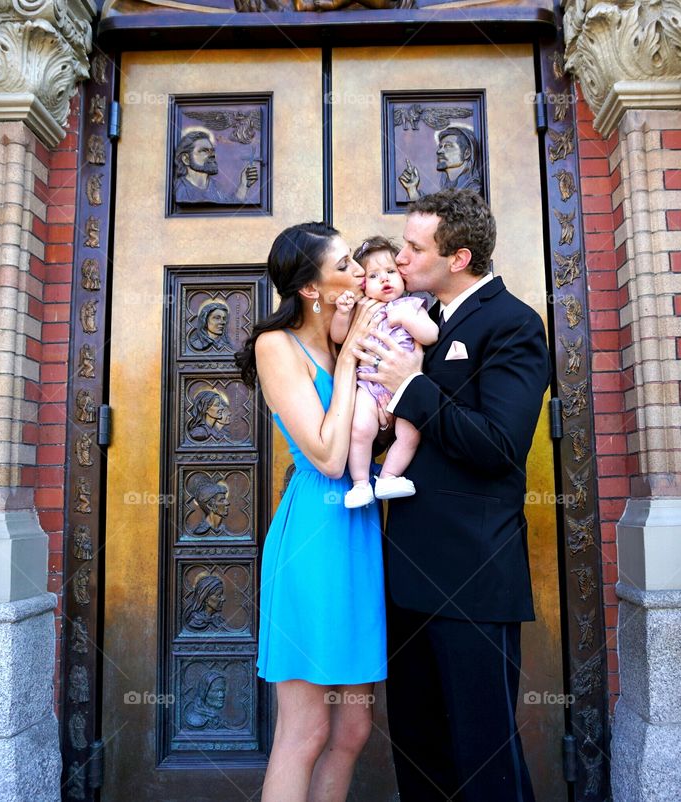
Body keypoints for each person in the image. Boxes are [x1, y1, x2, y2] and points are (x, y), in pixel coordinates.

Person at [355, 189, 549, 802]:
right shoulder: (416, 315)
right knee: (418, 749)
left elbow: (497, 447)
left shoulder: (512, 323)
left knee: (482, 755)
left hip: (472, 577)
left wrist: (410, 389)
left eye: (414, 248)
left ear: (459, 256)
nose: (401, 257)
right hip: (405, 572)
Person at [235, 222, 386, 802]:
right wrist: (347, 360)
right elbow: (324, 454)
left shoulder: (351, 329)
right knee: (307, 729)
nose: (359, 273)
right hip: (313, 536)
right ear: (311, 288)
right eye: (346, 265)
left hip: (360, 529)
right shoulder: (277, 347)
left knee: (353, 728)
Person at [330, 236, 439, 508]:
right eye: (374, 275)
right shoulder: (361, 309)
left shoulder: (411, 306)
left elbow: (431, 334)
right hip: (368, 387)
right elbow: (339, 336)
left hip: (403, 390)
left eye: (391, 272)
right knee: (360, 429)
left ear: (401, 276)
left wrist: (406, 320)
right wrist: (343, 313)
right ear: (364, 284)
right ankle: (360, 484)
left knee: (410, 433)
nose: (385, 279)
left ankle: (389, 476)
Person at [399, 126, 483, 202]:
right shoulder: (445, 189)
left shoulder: (472, 190)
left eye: (448, 146)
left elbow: (447, 209)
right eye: (440, 147)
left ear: (467, 153)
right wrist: (412, 189)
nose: (439, 151)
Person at [173, 131, 258, 204]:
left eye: (212, 150)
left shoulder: (216, 187)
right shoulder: (180, 190)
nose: (212, 155)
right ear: (186, 159)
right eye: (204, 151)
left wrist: (243, 185)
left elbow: (228, 208)